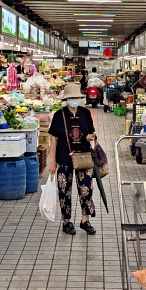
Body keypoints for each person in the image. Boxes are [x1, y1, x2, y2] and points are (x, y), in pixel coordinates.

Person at [47, 83, 98, 236]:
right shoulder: (58, 115)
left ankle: (85, 220)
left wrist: (91, 137)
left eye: (77, 97)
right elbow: (53, 140)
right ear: (66, 99)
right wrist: (52, 162)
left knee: (86, 189)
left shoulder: (85, 113)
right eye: (71, 98)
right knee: (64, 190)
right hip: (64, 158)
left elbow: (91, 133)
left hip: (83, 156)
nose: (74, 100)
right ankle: (66, 221)